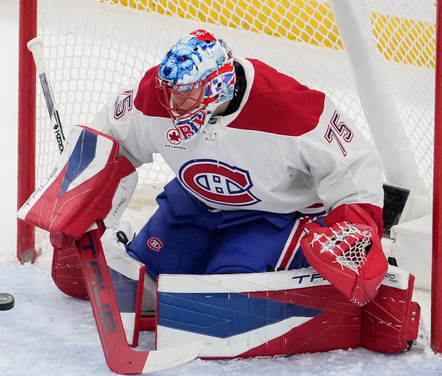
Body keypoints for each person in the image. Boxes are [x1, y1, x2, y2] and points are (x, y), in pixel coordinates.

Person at [48, 29, 389, 306]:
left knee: (224, 295)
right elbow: (111, 138)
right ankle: (137, 233)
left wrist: (354, 235)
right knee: (136, 288)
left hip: (273, 216)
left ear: (218, 86)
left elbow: (355, 164)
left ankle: (301, 260)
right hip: (194, 205)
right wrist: (75, 197)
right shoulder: (155, 95)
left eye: (186, 94)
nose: (172, 105)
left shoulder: (290, 108)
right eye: (170, 93)